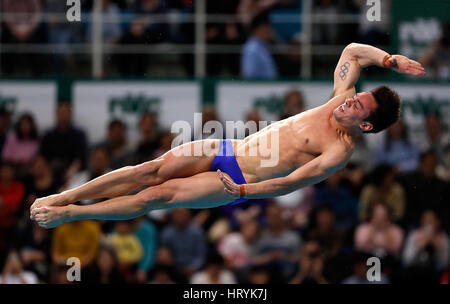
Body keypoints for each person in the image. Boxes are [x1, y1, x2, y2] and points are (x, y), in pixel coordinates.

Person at [30, 43, 425, 229]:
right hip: (228, 146)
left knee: (154, 197)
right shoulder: (340, 96)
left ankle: (69, 213)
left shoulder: (338, 151)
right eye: (357, 97)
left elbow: (289, 183)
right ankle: (62, 195)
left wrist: (242, 194)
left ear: (366, 126)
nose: (350, 103)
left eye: (359, 108)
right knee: (149, 170)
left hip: (236, 180)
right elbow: (353, 52)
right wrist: (390, 60)